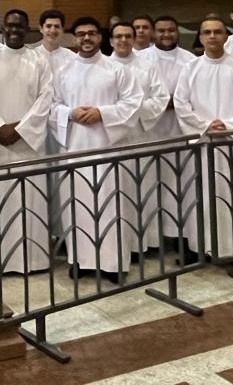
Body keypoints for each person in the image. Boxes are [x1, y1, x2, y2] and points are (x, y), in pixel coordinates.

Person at [50, 17, 143, 284]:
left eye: (91, 33)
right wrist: (71, 113)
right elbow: (52, 106)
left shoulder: (117, 69)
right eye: (81, 34)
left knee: (110, 204)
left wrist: (102, 113)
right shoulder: (64, 71)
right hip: (75, 151)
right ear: (74, 38)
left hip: (108, 149)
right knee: (77, 205)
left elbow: (133, 103)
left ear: (100, 37)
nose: (87, 38)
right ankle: (81, 260)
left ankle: (113, 264)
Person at [174, 17, 233, 266]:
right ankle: (200, 248)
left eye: (218, 32)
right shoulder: (190, 69)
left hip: (231, 146)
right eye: (207, 32)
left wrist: (229, 126)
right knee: (200, 196)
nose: (212, 36)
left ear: (226, 36)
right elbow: (182, 104)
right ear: (200, 38)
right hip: (202, 145)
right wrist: (205, 126)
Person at [0, 9, 54, 274]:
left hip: (28, 145)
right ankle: (0, 260)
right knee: (1, 202)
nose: (14, 30)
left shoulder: (38, 61)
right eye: (10, 26)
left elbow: (45, 98)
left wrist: (22, 129)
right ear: (3, 27)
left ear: (28, 29)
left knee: (30, 201)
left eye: (20, 26)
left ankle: (33, 261)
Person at [108, 22, 169, 256]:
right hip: (114, 139)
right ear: (111, 41)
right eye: (118, 36)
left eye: (127, 36)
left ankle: (143, 244)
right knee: (117, 192)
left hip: (142, 135)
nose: (123, 40)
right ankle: (119, 245)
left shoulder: (148, 65)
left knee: (143, 190)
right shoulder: (105, 66)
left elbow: (161, 97)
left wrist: (133, 111)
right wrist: (119, 113)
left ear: (134, 39)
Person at [149, 15, 196, 245]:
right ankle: (152, 238)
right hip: (150, 132)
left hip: (181, 131)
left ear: (178, 32)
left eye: (171, 30)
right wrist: (160, 103)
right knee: (151, 185)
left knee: (181, 186)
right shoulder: (142, 59)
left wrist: (176, 103)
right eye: (161, 31)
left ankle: (181, 236)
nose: (166, 35)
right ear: (152, 34)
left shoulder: (191, 60)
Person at [35, 9, 75, 75]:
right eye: (48, 26)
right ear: (41, 29)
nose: (53, 30)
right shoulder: (31, 56)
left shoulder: (72, 58)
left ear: (62, 30)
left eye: (57, 26)